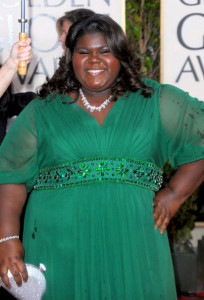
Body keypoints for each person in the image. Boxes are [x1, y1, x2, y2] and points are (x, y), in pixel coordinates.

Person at [0, 14, 204, 300]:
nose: (94, 60)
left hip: (134, 246)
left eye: (104, 51)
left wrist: (175, 194)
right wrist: (8, 239)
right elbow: (9, 176)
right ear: (70, 58)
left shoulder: (154, 100)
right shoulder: (43, 110)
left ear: (121, 55)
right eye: (84, 52)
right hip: (58, 247)